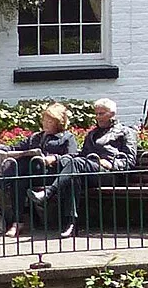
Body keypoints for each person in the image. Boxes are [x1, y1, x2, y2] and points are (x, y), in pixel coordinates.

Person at [29, 98, 135, 238]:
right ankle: (71, 223)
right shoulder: (92, 134)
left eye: (101, 113)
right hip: (91, 171)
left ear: (112, 113)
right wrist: (60, 159)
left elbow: (130, 159)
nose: (98, 117)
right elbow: (83, 155)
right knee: (73, 174)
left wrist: (111, 164)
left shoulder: (125, 132)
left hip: (111, 174)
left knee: (76, 165)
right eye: (96, 114)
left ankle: (48, 193)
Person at [0, 104, 78, 236]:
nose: (45, 124)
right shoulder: (37, 137)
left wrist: (54, 158)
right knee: (19, 180)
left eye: (50, 121)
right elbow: (15, 148)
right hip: (32, 174)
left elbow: (72, 158)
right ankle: (17, 223)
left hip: (53, 176)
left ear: (59, 122)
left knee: (22, 164)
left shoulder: (67, 138)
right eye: (44, 120)